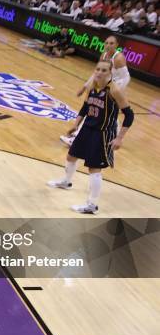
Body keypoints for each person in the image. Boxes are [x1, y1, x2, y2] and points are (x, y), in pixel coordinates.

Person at [48, 60, 134, 214]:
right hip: (87, 128)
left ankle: (92, 205)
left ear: (110, 72)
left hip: (102, 133)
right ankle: (66, 182)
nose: (99, 72)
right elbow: (85, 107)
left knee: (94, 168)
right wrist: (76, 124)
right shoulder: (93, 86)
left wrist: (120, 138)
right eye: (98, 69)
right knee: (71, 156)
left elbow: (129, 115)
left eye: (104, 70)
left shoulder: (114, 90)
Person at [60, 35, 130, 146]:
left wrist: (116, 90)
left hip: (117, 84)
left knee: (96, 109)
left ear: (116, 45)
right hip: (108, 82)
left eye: (111, 43)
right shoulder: (104, 55)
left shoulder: (119, 58)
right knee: (108, 110)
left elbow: (125, 77)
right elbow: (96, 73)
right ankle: (114, 131)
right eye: (106, 43)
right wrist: (84, 87)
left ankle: (76, 137)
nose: (108, 45)